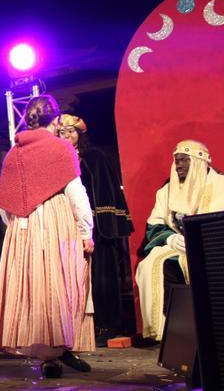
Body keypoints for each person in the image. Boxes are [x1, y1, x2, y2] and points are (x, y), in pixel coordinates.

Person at [0, 95, 95, 379]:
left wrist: (16, 228)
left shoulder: (15, 152)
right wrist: (86, 230)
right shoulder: (61, 148)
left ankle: (51, 356)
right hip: (55, 220)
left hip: (24, 225)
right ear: (56, 119)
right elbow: (75, 192)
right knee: (60, 283)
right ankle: (58, 350)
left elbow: (5, 203)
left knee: (35, 288)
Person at [135, 140, 224, 341]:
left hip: (212, 247)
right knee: (152, 266)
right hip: (178, 248)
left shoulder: (221, 185)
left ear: (199, 161)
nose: (179, 165)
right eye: (176, 161)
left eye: (184, 160)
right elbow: (154, 226)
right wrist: (171, 238)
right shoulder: (166, 191)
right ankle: (167, 332)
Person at [58, 114, 134, 345]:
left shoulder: (95, 157)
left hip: (99, 230)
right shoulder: (59, 161)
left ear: (80, 134)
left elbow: (106, 191)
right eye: (63, 132)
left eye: (72, 131)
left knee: (103, 278)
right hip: (70, 227)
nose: (68, 136)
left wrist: (99, 222)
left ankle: (108, 325)